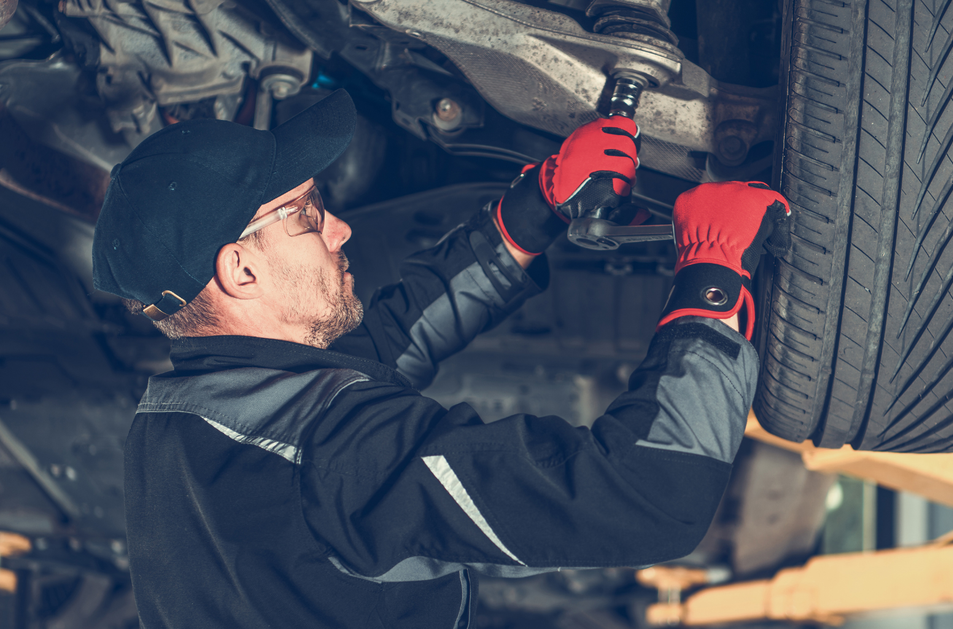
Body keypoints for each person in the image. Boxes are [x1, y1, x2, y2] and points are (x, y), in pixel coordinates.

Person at [91, 89, 790, 628]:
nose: (339, 228)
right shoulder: (334, 458)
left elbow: (387, 341)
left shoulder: (181, 422)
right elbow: (651, 494)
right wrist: (712, 279)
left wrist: (533, 210)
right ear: (240, 271)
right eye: (305, 214)